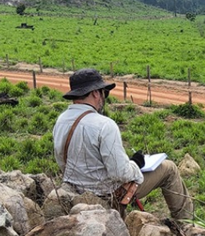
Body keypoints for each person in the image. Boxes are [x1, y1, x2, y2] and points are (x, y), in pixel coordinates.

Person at [53, 68, 193, 220]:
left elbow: (61, 161)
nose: (104, 97)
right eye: (104, 92)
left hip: (74, 189)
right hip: (106, 194)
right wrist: (135, 164)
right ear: (95, 93)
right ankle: (186, 223)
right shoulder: (105, 125)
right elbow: (120, 173)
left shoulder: (61, 120)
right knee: (169, 169)